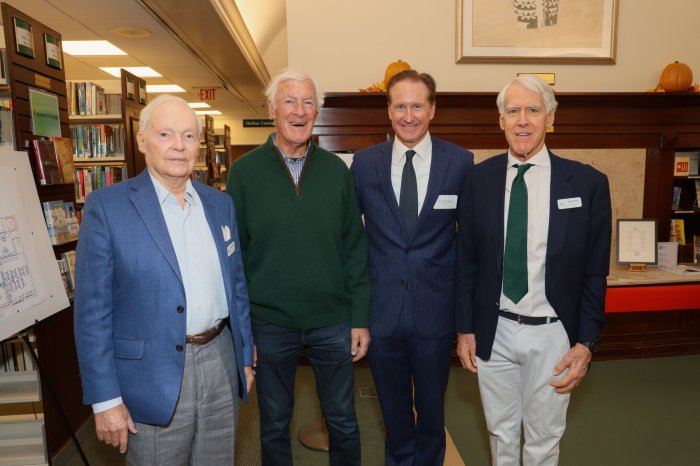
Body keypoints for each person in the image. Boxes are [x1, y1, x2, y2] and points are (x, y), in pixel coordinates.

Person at [74, 94, 254, 465]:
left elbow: (236, 286)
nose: (178, 146)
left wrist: (246, 357)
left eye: (189, 136)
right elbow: (92, 313)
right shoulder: (108, 207)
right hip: (150, 373)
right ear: (142, 141)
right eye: (166, 134)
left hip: (220, 360)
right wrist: (105, 399)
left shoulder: (220, 204)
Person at [455, 75, 612, 465]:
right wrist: (464, 329)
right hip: (496, 331)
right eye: (513, 111)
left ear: (550, 118)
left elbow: (595, 272)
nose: (522, 120)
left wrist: (586, 343)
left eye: (533, 110)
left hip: (554, 334)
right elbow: (467, 261)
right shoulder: (477, 180)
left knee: (544, 438)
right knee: (501, 433)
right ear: (501, 121)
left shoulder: (589, 184)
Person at [226, 68, 370, 466]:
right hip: (270, 322)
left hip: (332, 321)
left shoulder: (336, 172)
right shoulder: (244, 172)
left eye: (309, 102)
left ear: (317, 111)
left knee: (342, 419)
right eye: (290, 101)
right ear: (272, 108)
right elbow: (233, 258)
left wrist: (359, 318)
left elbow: (354, 249)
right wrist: (243, 329)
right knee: (273, 422)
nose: (300, 110)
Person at [351, 70, 473, 465]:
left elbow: (469, 244)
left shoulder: (460, 162)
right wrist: (355, 315)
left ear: (432, 109)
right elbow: (351, 241)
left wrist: (465, 320)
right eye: (400, 106)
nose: (409, 115)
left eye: (417, 105)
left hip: (434, 314)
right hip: (382, 313)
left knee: (433, 418)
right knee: (395, 416)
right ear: (388, 111)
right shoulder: (365, 164)